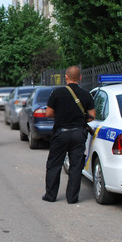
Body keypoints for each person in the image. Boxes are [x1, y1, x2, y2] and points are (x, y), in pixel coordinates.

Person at [42, 66, 96, 204]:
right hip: (78, 134)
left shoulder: (57, 93)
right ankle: (72, 198)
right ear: (80, 78)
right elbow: (92, 116)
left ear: (66, 77)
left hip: (61, 133)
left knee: (54, 165)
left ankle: (50, 195)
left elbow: (48, 113)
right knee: (76, 166)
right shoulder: (86, 94)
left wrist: (61, 116)